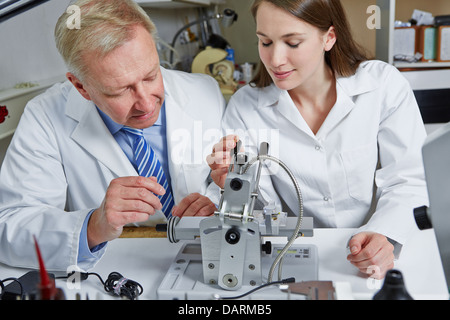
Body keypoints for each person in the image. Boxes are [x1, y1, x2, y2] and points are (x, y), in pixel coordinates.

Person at [207, 0, 428, 279]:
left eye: (293, 42)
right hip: (288, 256)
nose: (275, 59)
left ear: (329, 37)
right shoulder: (245, 107)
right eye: (265, 42)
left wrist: (385, 233)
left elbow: (409, 177)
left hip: (373, 257)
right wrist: (229, 185)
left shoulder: (382, 85)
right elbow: (255, 204)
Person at [0, 0, 224, 271]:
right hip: (113, 272)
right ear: (81, 87)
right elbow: (10, 226)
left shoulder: (205, 92)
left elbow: (239, 184)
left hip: (205, 261)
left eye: (151, 76)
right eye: (120, 91)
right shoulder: (45, 116)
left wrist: (218, 200)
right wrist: (93, 225)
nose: (145, 103)